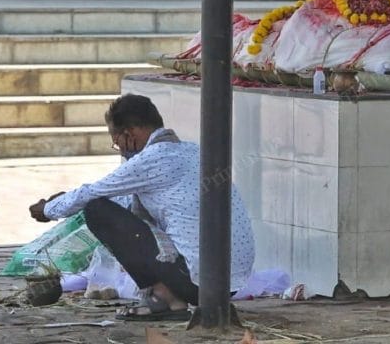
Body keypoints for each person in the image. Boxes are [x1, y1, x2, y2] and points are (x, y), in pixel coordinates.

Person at [29, 94, 255, 321]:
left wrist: (48, 209)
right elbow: (124, 202)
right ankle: (169, 296)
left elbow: (94, 193)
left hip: (198, 284)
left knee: (96, 211)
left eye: (117, 142)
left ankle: (163, 297)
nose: (120, 150)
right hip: (229, 286)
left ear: (130, 134)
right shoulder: (192, 151)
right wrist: (65, 200)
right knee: (104, 208)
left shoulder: (152, 158)